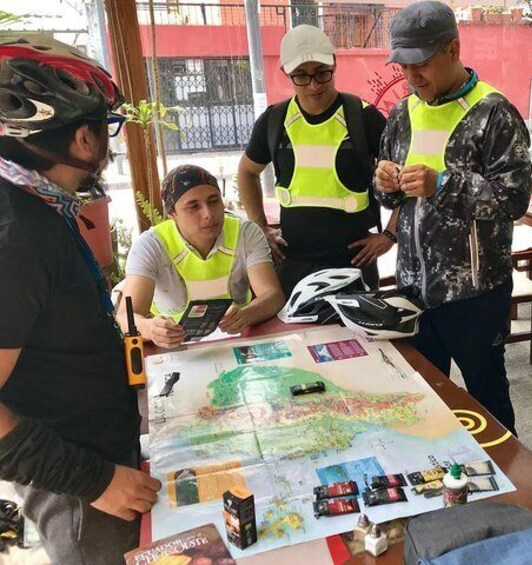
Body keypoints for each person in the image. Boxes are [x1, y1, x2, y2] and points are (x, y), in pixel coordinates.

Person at [0, 33, 160, 563]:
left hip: (100, 456)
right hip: (81, 488)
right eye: (105, 127)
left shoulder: (39, 207)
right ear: (84, 139)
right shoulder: (17, 234)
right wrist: (94, 482)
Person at [373, 1, 532, 435]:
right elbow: (392, 202)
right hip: (413, 290)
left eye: (421, 64)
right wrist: (385, 184)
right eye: (404, 67)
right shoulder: (402, 114)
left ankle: (514, 497)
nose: (412, 77)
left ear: (453, 49)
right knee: (424, 405)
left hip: (475, 297)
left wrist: (443, 184)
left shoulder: (493, 113)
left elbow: (514, 199)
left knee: (489, 404)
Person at [238, 25, 397, 297]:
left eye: (322, 73)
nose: (313, 85)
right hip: (292, 266)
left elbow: (405, 180)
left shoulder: (363, 118)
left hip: (353, 267)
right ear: (286, 72)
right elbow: (246, 173)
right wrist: (261, 227)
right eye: (301, 76)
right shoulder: (274, 121)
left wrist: (390, 236)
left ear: (334, 64)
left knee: (355, 341)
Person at [118, 165, 285, 348]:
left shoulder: (246, 233)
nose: (208, 214)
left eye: (214, 201)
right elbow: (125, 317)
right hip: (173, 349)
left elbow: (273, 296)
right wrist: (151, 329)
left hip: (237, 341)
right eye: (193, 206)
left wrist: (245, 315)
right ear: (172, 213)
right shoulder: (151, 245)